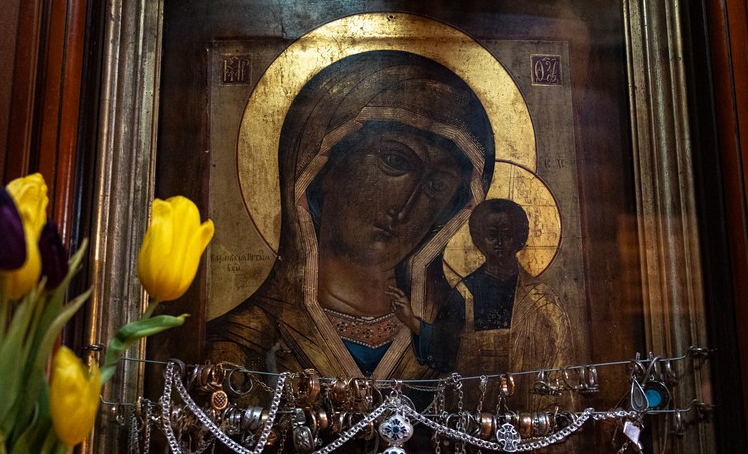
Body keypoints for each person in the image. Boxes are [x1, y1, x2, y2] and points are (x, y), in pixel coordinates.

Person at [208, 51, 495, 379]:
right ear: (321, 169)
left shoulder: (456, 342)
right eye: (394, 161)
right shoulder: (240, 348)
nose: (405, 207)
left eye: (436, 186)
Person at [389, 198, 569, 381]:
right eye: (491, 235)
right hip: (476, 394)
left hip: (526, 390)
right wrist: (411, 321)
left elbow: (557, 354)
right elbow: (444, 350)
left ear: (520, 239)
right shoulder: (465, 293)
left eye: (507, 235)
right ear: (478, 240)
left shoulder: (540, 297)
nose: (499, 242)